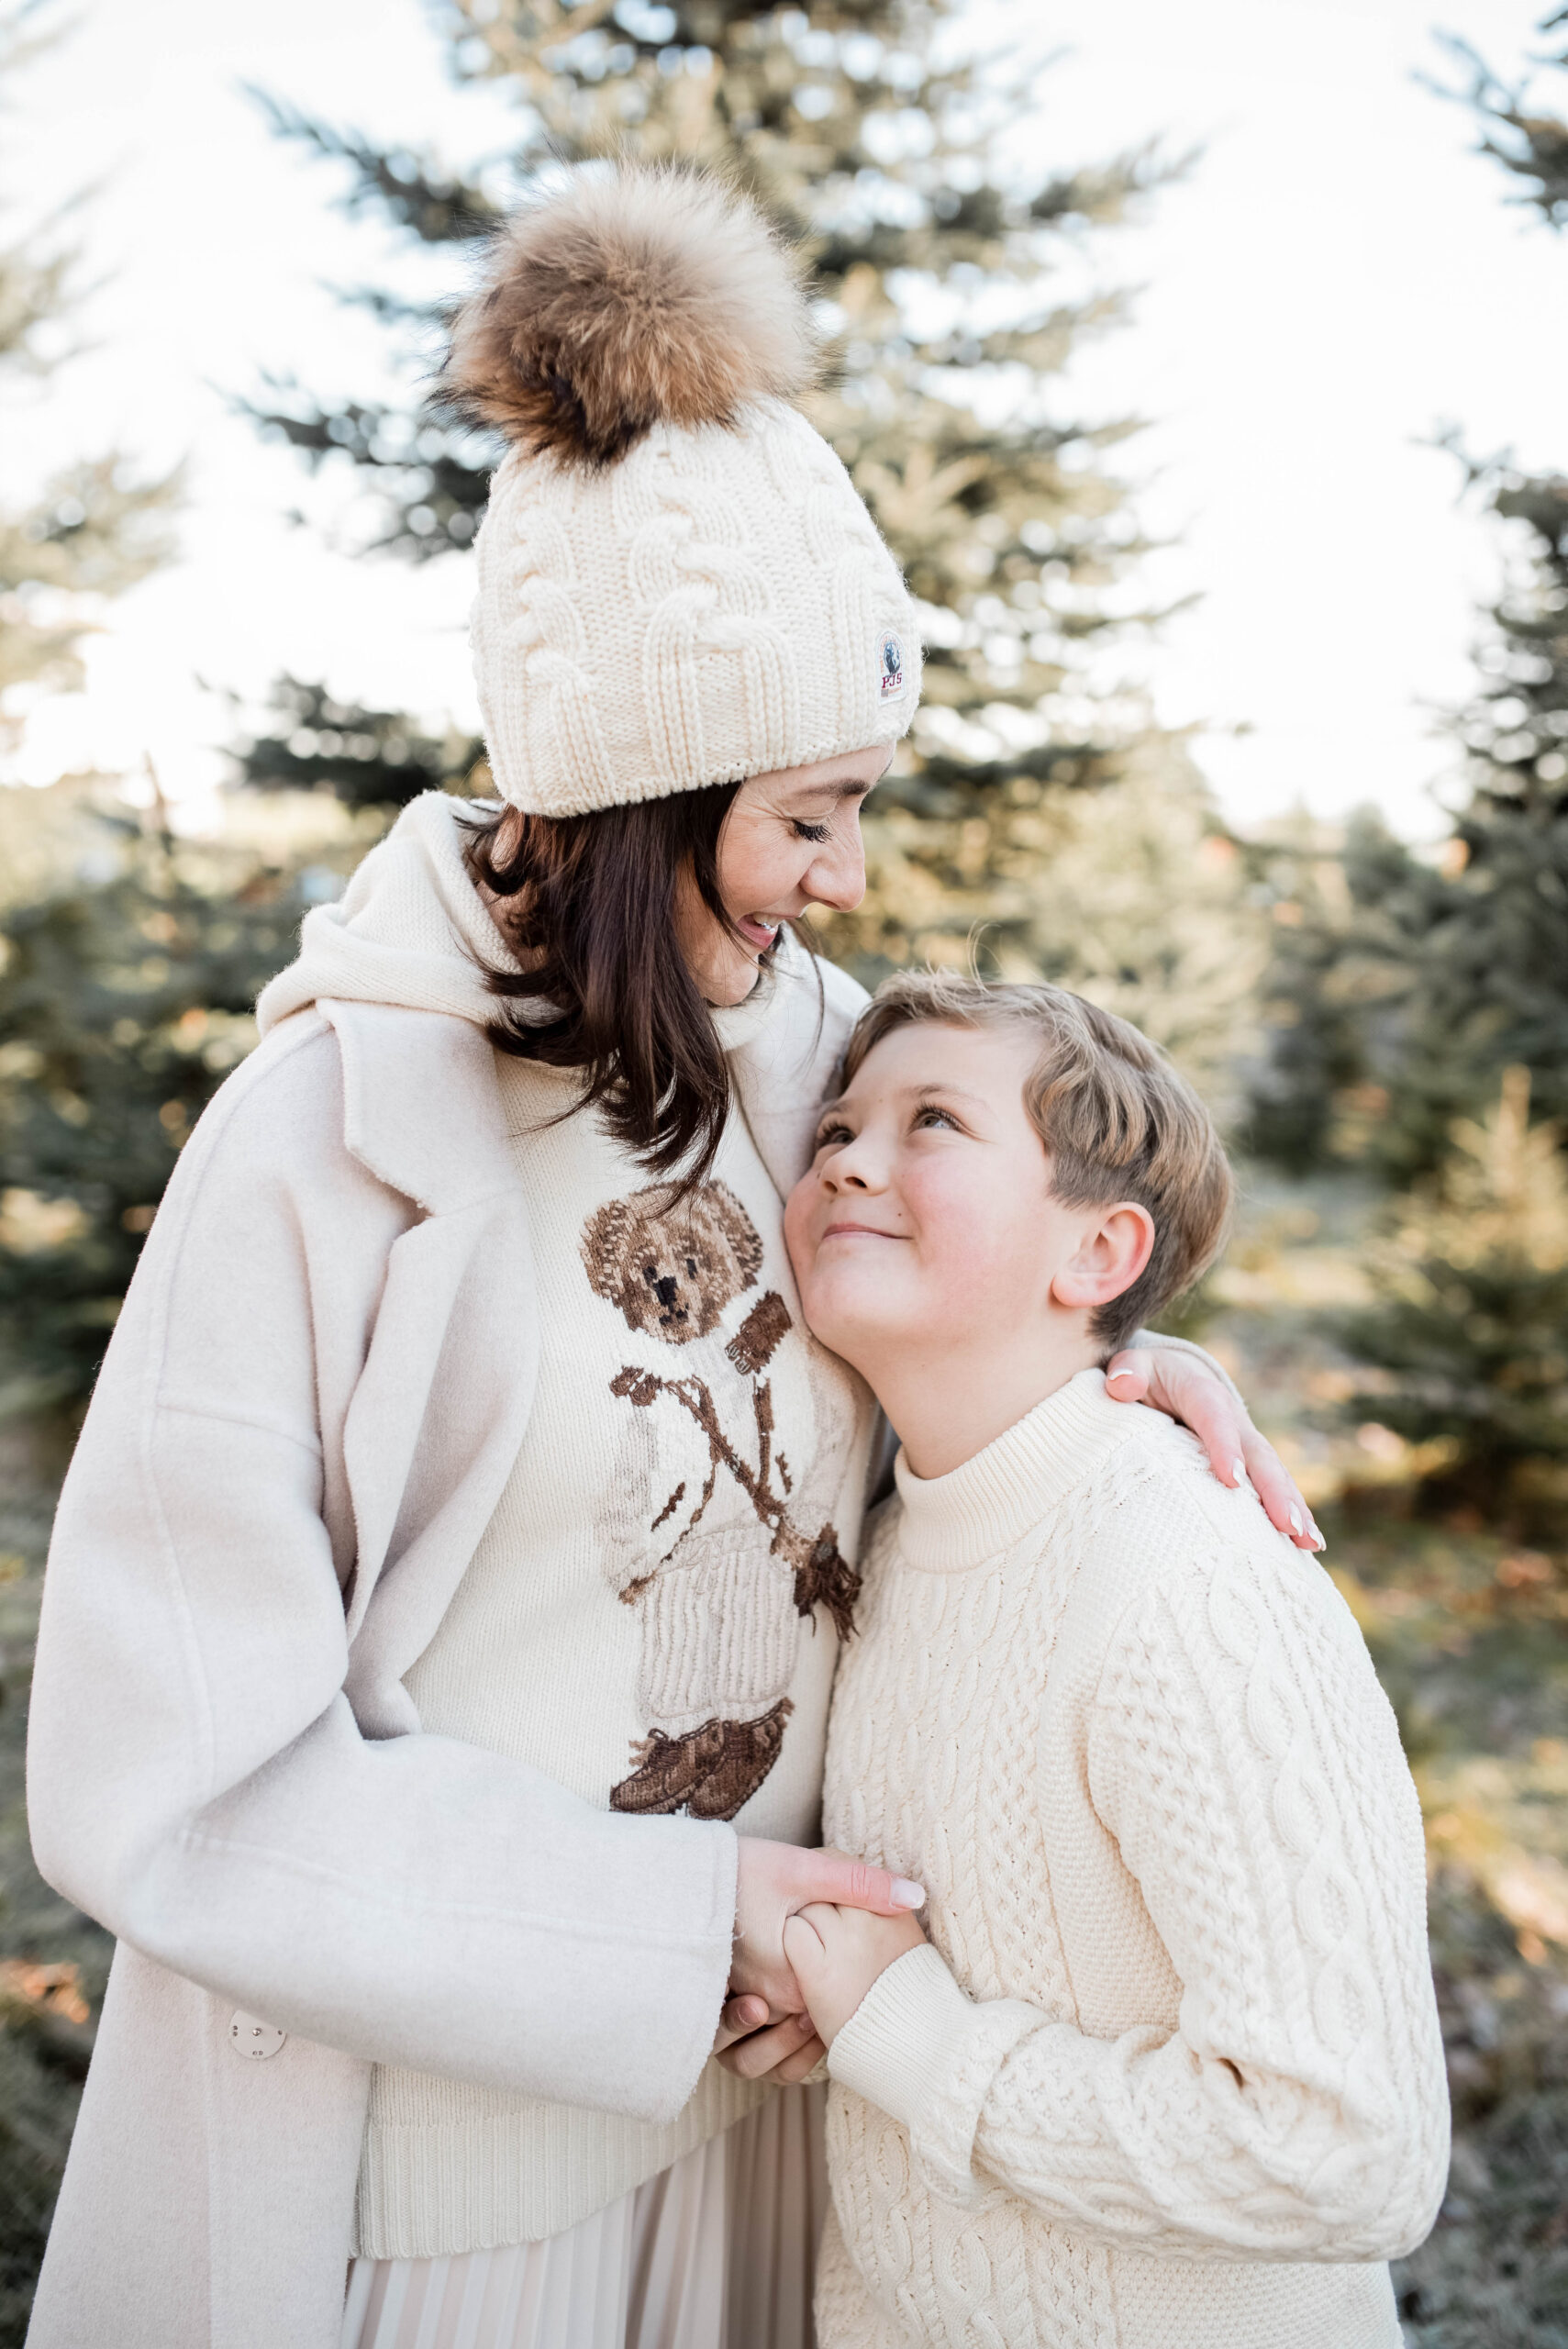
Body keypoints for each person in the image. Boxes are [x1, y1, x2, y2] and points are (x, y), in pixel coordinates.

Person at [24, 170, 1317, 2349]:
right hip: (435, 2200)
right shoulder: (324, 1139)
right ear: (644, 785)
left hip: (777, 2139)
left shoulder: (824, 1063)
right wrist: (668, 1917)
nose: (847, 872)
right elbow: (165, 1767)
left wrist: (1099, 1380)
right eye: (810, 810)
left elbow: (928, 1365)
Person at [776, 972, 1450, 2349]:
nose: (848, 1154)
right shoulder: (893, 1552)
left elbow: (1342, 2149)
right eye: (837, 1125)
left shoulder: (1187, 1590)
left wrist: (908, 2039)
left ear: (1096, 1255)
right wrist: (830, 2008)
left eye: (932, 1125)